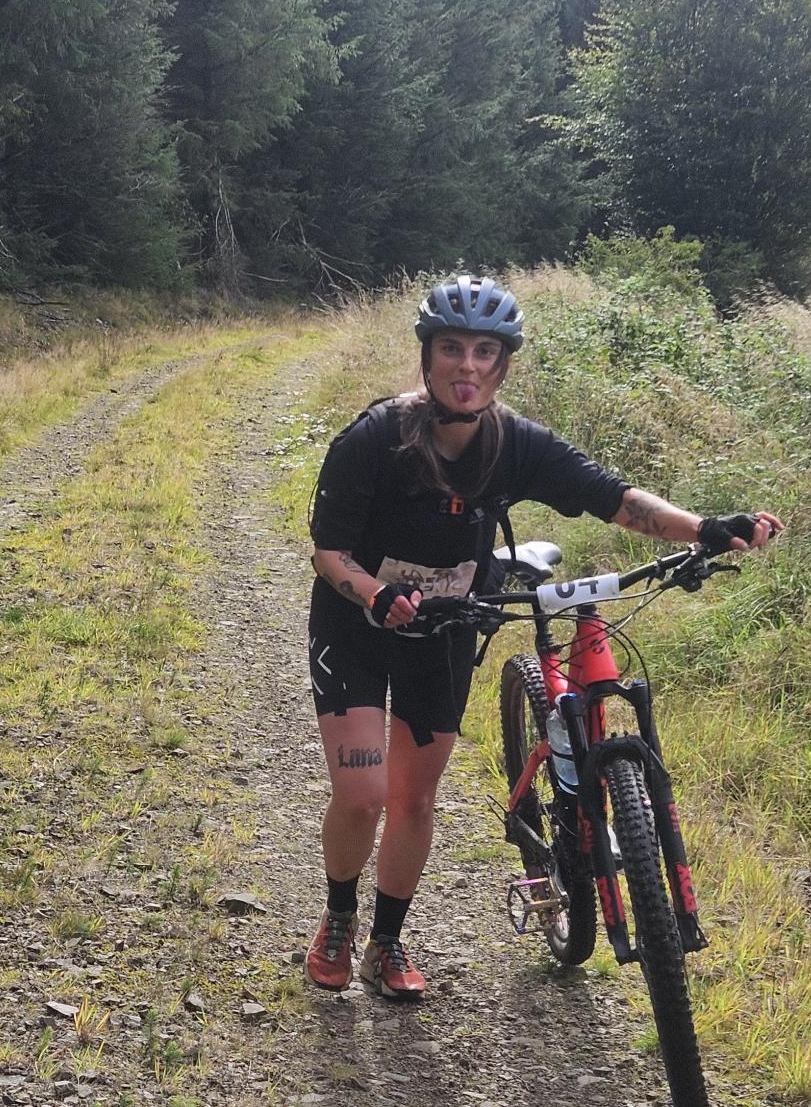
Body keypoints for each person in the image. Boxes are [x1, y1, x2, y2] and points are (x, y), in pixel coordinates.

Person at [303, 275, 782, 999]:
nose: (467, 366)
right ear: (427, 358)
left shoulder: (513, 443)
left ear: (504, 364)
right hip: (359, 624)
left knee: (414, 801)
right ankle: (339, 917)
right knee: (365, 793)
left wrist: (704, 528)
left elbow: (612, 498)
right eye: (452, 349)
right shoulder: (376, 438)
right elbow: (328, 553)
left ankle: (387, 942)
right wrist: (376, 594)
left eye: (484, 352)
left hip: (448, 627)